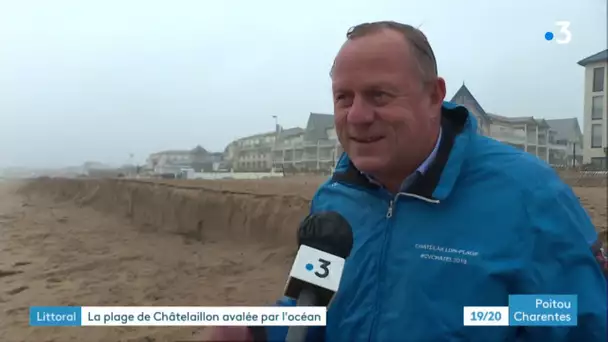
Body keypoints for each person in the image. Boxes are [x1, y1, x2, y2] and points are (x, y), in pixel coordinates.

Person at [207, 21, 608, 341]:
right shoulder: (335, 199)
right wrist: (258, 332)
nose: (357, 116)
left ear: (434, 96)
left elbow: (580, 320)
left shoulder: (530, 195)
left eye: (379, 95)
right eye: (344, 98)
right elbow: (315, 308)